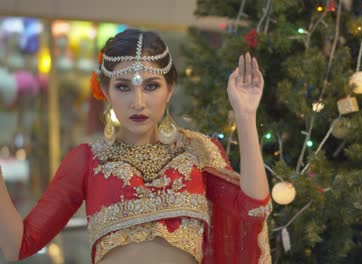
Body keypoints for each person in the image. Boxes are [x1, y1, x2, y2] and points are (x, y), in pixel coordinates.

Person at [0, 29, 272, 264]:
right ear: (106, 92)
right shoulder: (87, 161)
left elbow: (254, 209)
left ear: (171, 89)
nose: (138, 102)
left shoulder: (198, 152)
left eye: (152, 86)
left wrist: (246, 115)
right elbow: (18, 246)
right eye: (123, 87)